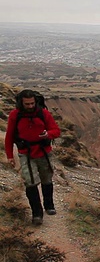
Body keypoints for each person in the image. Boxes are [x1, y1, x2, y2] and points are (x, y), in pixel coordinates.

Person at [4, 89, 61, 225]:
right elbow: (9, 136)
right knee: (30, 182)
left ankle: (49, 205)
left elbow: (56, 131)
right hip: (26, 153)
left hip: (43, 151)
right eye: (27, 104)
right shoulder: (15, 115)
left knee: (47, 178)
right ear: (20, 103)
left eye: (32, 103)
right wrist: (10, 156)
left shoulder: (43, 113)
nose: (30, 106)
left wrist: (48, 134)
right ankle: (37, 213)